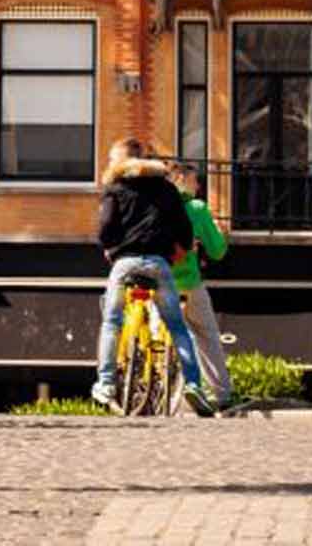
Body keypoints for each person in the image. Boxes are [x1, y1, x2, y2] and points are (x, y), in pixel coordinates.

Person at [91, 138, 215, 417]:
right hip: (159, 264)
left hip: (125, 262)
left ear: (124, 161)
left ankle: (106, 383)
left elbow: (105, 228)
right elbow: (183, 229)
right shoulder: (167, 188)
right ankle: (194, 384)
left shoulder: (116, 188)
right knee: (177, 327)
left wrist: (110, 249)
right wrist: (177, 252)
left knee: (111, 321)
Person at [168, 163, 233, 409]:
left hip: (158, 283)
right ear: (182, 179)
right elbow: (216, 251)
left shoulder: (156, 207)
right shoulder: (196, 208)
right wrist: (221, 234)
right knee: (207, 336)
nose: (199, 186)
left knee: (166, 339)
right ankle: (220, 394)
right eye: (195, 180)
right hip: (189, 283)